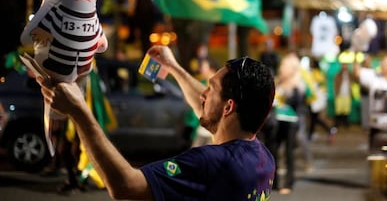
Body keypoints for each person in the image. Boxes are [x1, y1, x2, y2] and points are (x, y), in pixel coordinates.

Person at [36, 45, 276, 200]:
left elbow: (126, 186)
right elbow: (208, 109)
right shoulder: (264, 160)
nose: (203, 93)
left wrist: (79, 111)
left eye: (210, 89)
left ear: (229, 107)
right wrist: (174, 68)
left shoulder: (210, 162)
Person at [270, 52, 312, 195]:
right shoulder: (278, 82)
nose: (282, 68)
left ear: (292, 68)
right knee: (273, 150)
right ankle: (273, 182)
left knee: (288, 152)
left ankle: (289, 182)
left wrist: (289, 96)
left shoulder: (297, 85)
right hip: (277, 121)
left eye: (284, 66)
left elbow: (298, 103)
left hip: (291, 122)